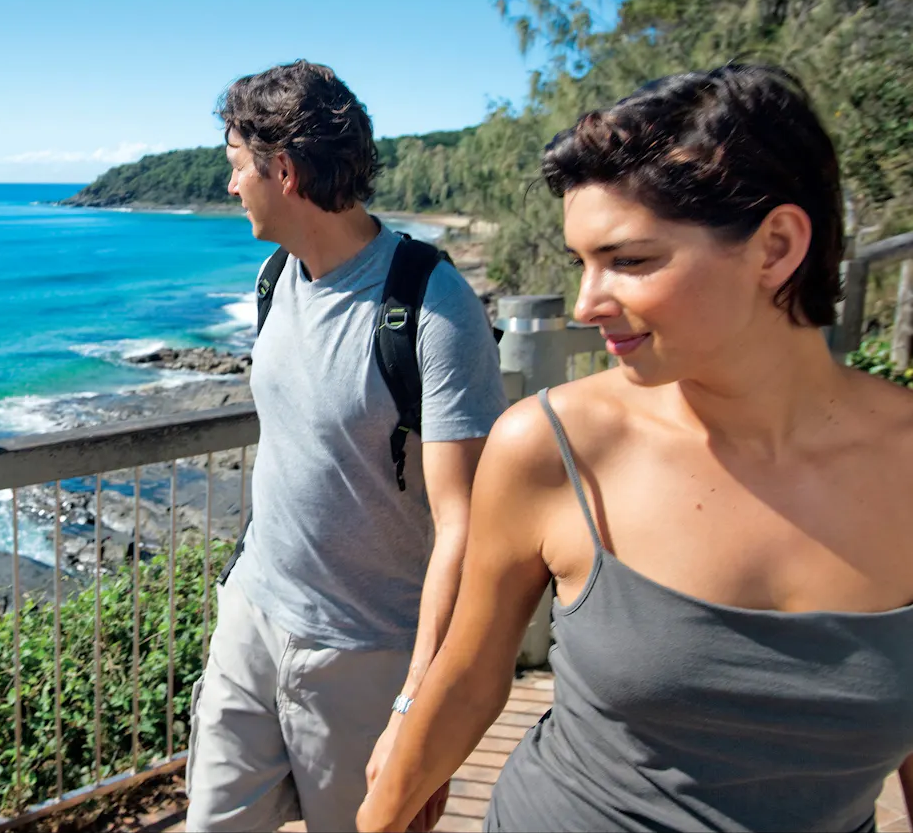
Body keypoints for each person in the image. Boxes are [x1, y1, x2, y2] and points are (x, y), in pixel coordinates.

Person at [357, 63, 913, 833]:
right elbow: (470, 678)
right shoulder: (552, 446)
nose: (588, 304)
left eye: (631, 260)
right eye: (582, 263)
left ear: (776, 246)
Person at [185, 60, 507, 832]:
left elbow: (466, 525)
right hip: (253, 617)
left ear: (284, 171)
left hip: (367, 656)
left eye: (237, 169)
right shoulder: (274, 278)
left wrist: (416, 703)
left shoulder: (431, 306)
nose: (232, 188)